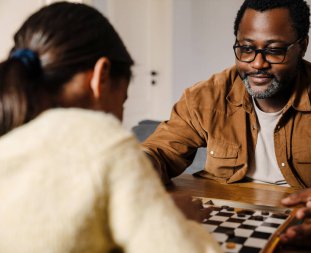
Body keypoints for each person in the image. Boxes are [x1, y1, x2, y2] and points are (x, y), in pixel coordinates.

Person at [142, 0, 311, 247]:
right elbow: (158, 152)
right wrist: (135, 168)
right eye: (246, 49)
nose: (257, 64)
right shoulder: (205, 97)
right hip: (221, 226)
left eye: (275, 50)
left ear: (303, 46)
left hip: (304, 230)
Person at [0, 2, 222, 253]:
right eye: (123, 99)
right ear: (100, 76)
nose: (120, 117)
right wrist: (176, 223)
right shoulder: (106, 143)